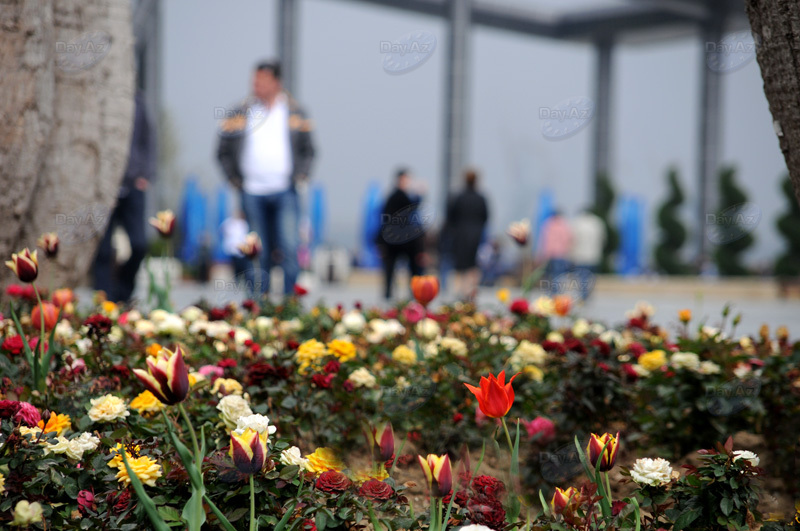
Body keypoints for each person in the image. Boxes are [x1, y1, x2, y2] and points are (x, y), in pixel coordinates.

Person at [217, 60, 315, 297]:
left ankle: (291, 304)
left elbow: (308, 149)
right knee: (257, 251)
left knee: (290, 247)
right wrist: (235, 180)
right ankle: (259, 305)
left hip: (285, 190)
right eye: (254, 81)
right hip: (251, 191)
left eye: (261, 81)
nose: (256, 85)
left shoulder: (295, 112)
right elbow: (223, 150)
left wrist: (301, 175)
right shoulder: (240, 112)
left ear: (276, 83)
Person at [92, 90, 155, 303]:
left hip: (133, 184)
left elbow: (148, 140)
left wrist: (145, 174)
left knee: (139, 244)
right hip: (102, 187)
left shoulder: (138, 102)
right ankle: (104, 302)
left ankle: (123, 294)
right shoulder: (99, 100)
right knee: (103, 250)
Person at [377, 168, 426, 300]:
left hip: (394, 239)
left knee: (391, 268)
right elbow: (411, 207)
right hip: (402, 240)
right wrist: (419, 195)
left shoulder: (391, 196)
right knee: (410, 268)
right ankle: (412, 293)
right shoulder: (399, 196)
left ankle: (389, 293)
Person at [445, 168, 489, 301]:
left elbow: (450, 217)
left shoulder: (458, 197)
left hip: (460, 235)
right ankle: (471, 291)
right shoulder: (481, 198)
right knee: (472, 264)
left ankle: (458, 292)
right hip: (475, 235)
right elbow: (485, 217)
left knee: (459, 264)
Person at [570, 208, 605, 300]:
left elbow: (573, 240)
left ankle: (583, 294)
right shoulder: (597, 222)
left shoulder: (577, 222)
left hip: (580, 255)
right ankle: (586, 294)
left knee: (582, 276)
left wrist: (571, 254)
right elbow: (602, 239)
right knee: (589, 277)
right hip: (593, 255)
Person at [537, 210, 573, 295]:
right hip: (560, 254)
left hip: (549, 254)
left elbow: (543, 241)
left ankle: (550, 292)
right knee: (558, 274)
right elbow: (567, 240)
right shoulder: (564, 225)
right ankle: (556, 293)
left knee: (549, 275)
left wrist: (540, 254)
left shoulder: (548, 224)